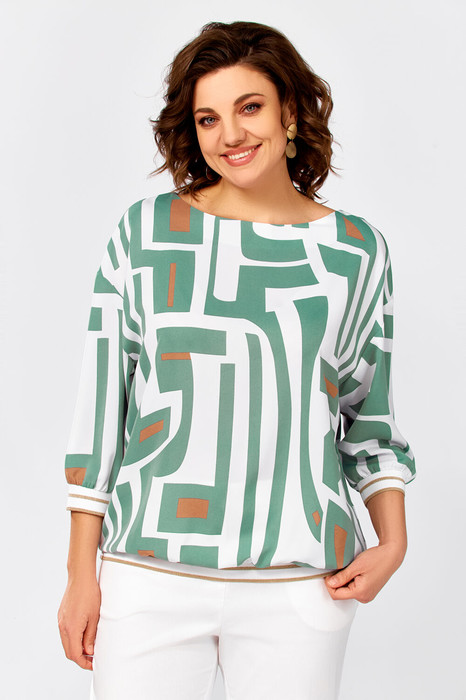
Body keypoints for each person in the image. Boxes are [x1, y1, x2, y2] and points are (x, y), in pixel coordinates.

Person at [58, 20, 416, 700]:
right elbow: (102, 413)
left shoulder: (355, 252)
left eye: (249, 107)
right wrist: (81, 574)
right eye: (208, 118)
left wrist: (392, 541)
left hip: (297, 582)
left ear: (289, 111)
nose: (231, 134)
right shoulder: (146, 234)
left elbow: (368, 413)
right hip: (150, 575)